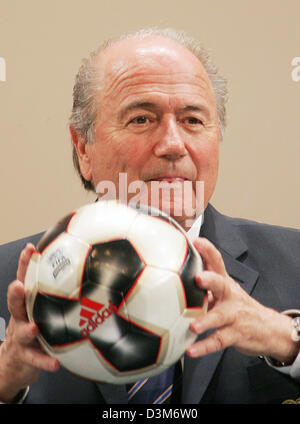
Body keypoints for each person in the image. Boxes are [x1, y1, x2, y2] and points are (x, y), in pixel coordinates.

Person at [0, 28, 299, 404]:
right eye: (141, 119)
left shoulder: (296, 263)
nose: (173, 145)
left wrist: (289, 344)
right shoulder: (6, 279)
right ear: (83, 148)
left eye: (192, 120)